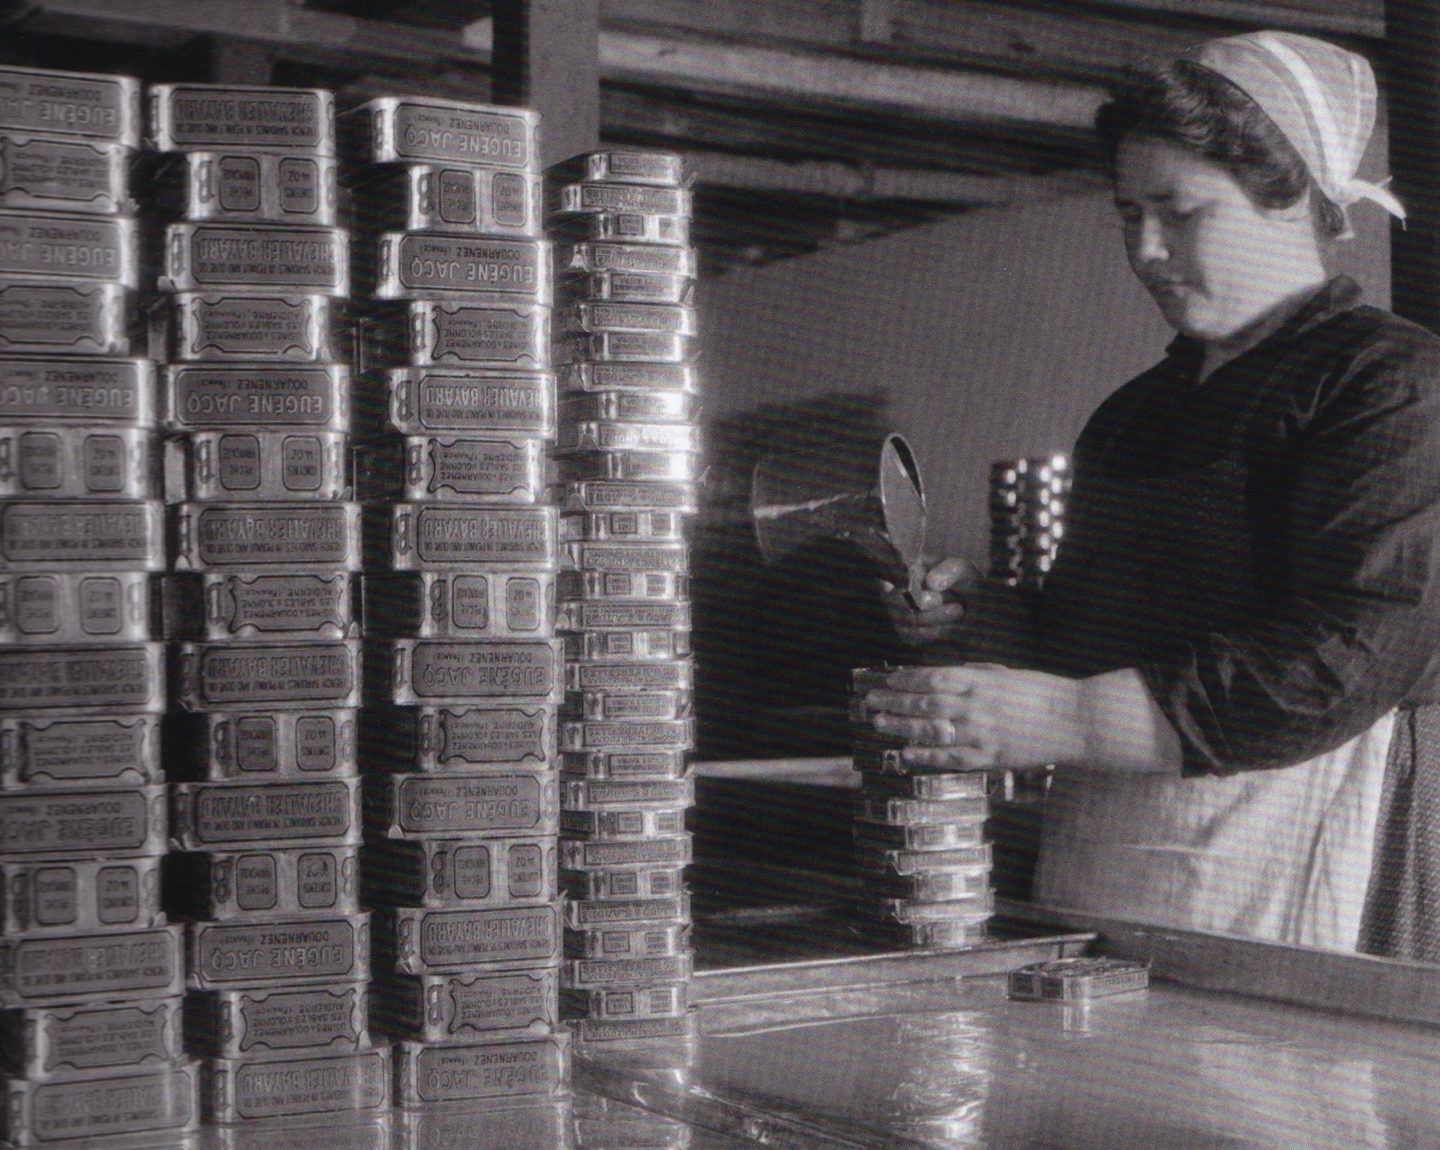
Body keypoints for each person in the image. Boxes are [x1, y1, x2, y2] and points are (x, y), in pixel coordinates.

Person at [862, 30, 1440, 959]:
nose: (1145, 250)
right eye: (1128, 214)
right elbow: (1087, 639)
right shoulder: (1133, 413)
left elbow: (1341, 655)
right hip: (1110, 855)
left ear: (1288, 195)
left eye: (1179, 212)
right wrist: (990, 619)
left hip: (1295, 849)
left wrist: (1062, 718)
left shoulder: (1387, 383)